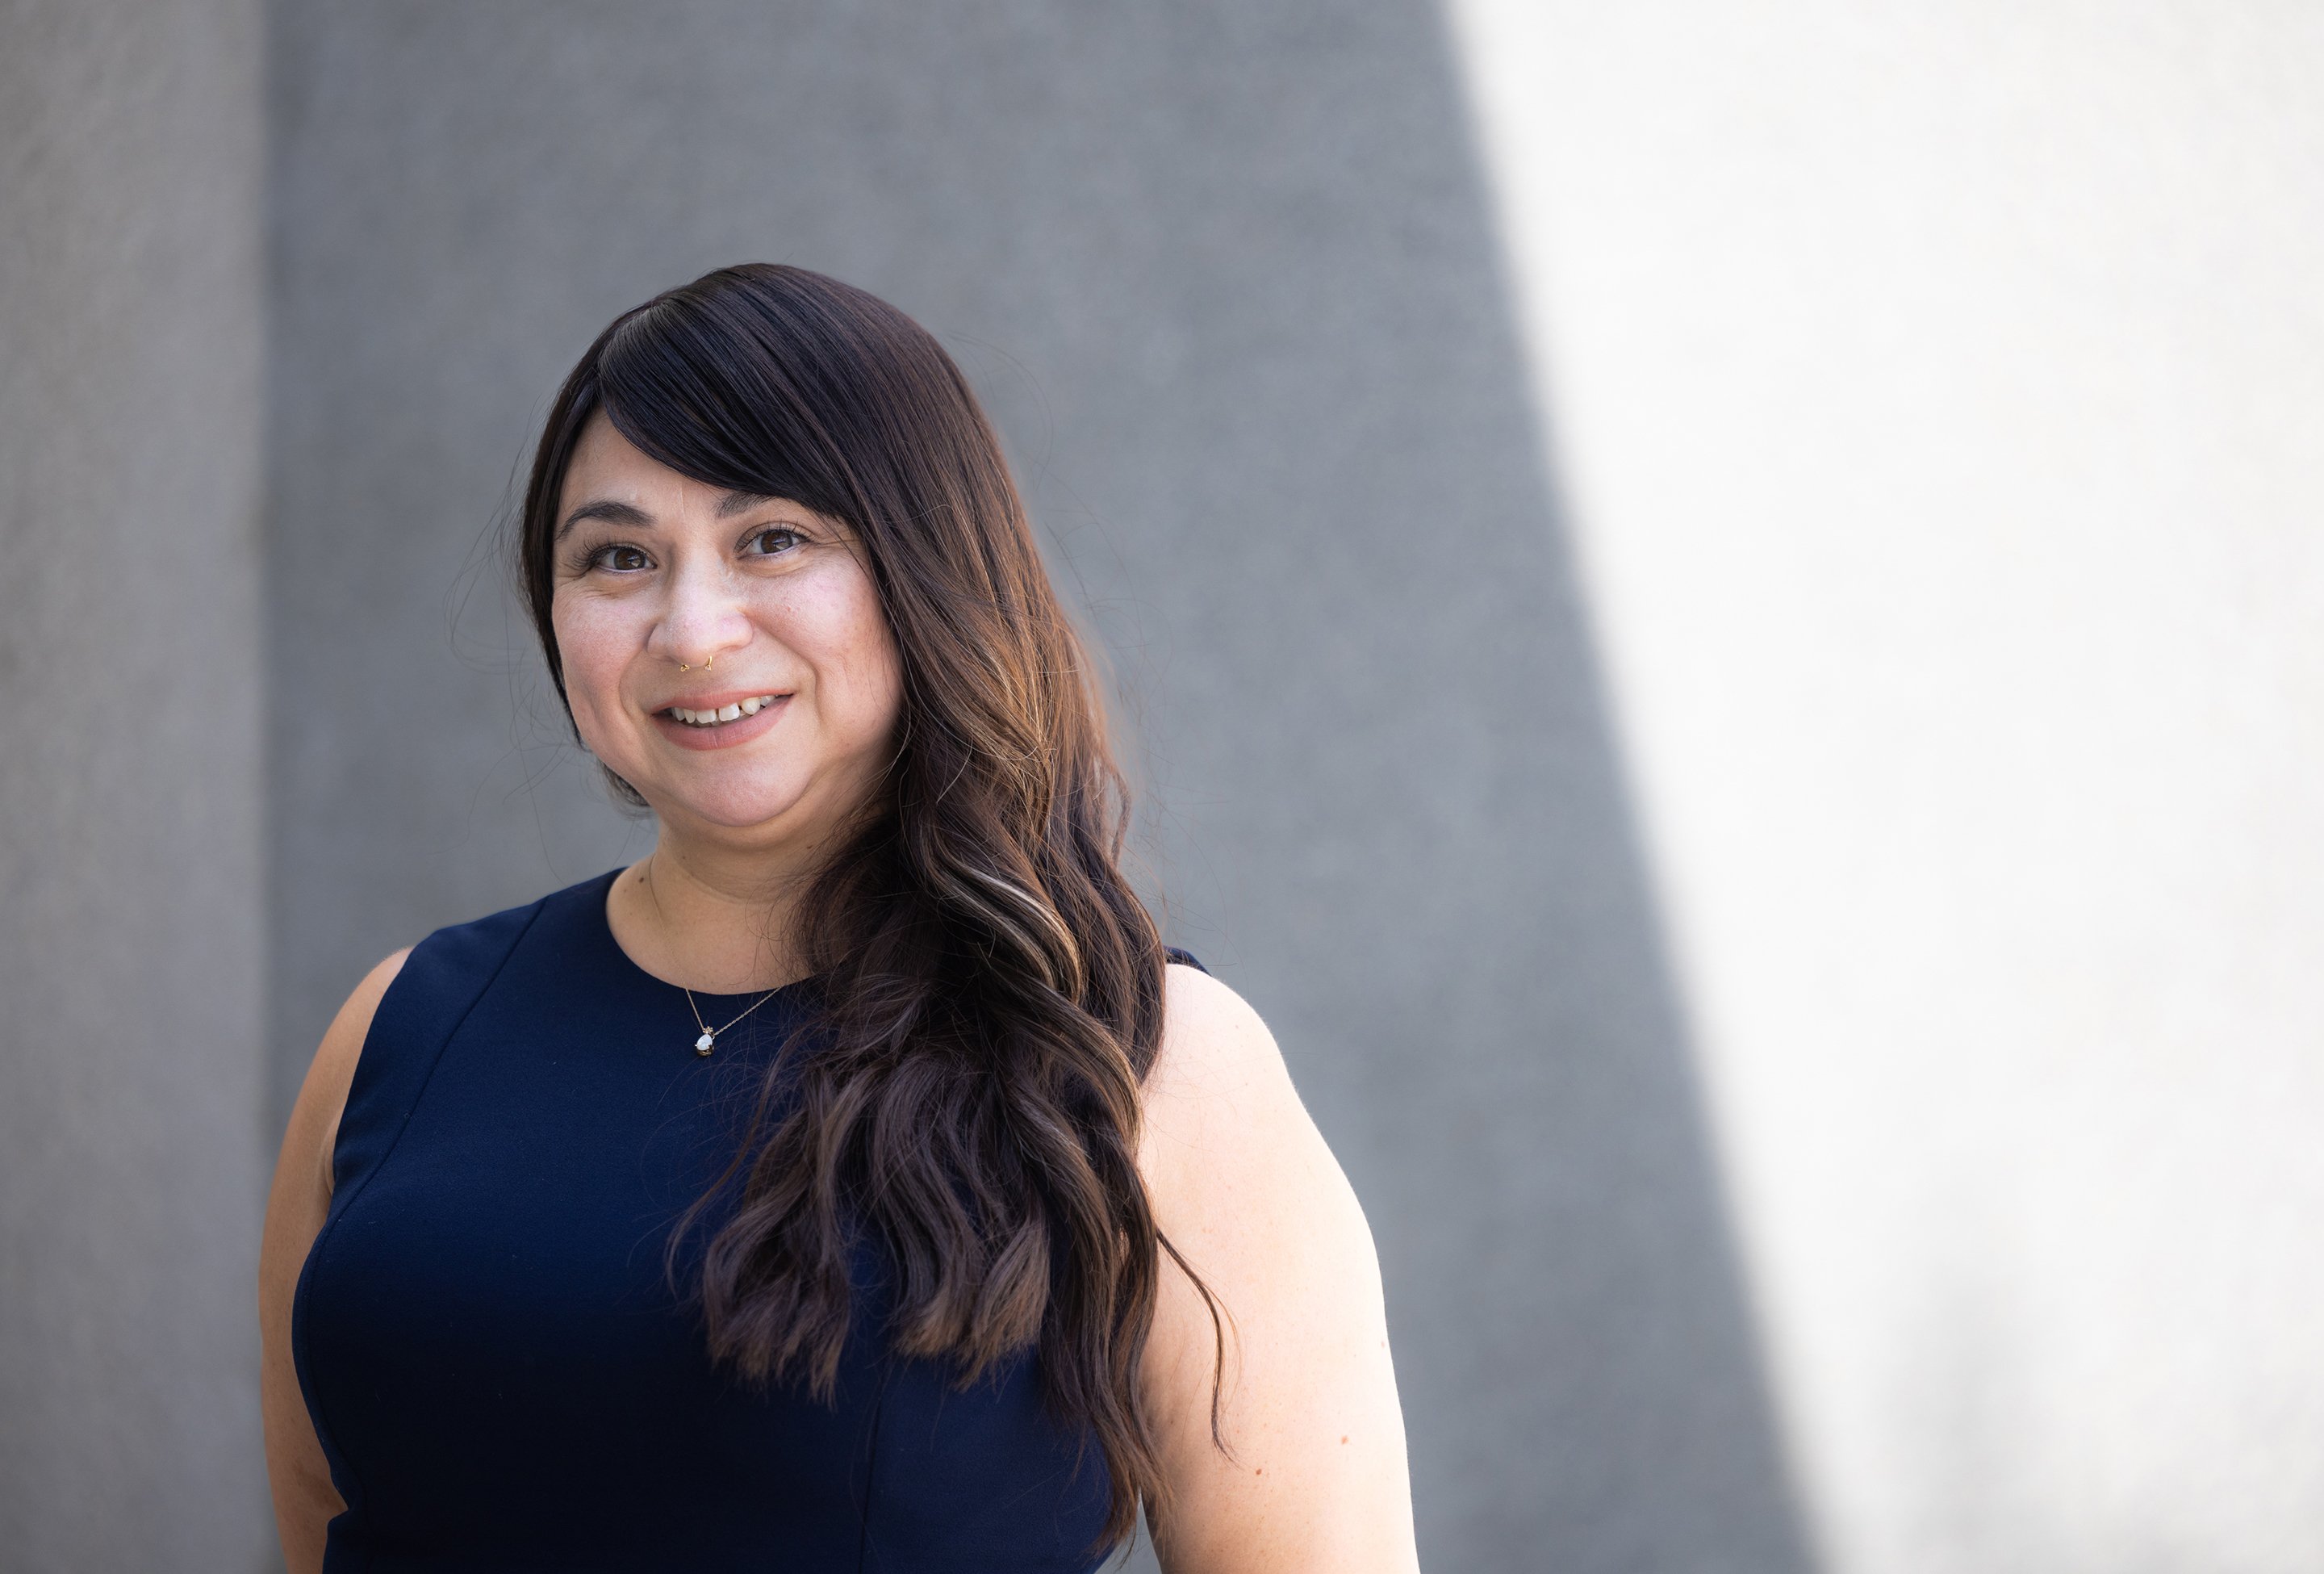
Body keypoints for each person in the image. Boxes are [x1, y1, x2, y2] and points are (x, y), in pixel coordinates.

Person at [257, 263, 1419, 1573]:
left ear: (926, 570)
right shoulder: (401, 1026)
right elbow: (315, 1513)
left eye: (773, 539)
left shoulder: (1151, 1061)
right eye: (619, 557)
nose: (694, 630)